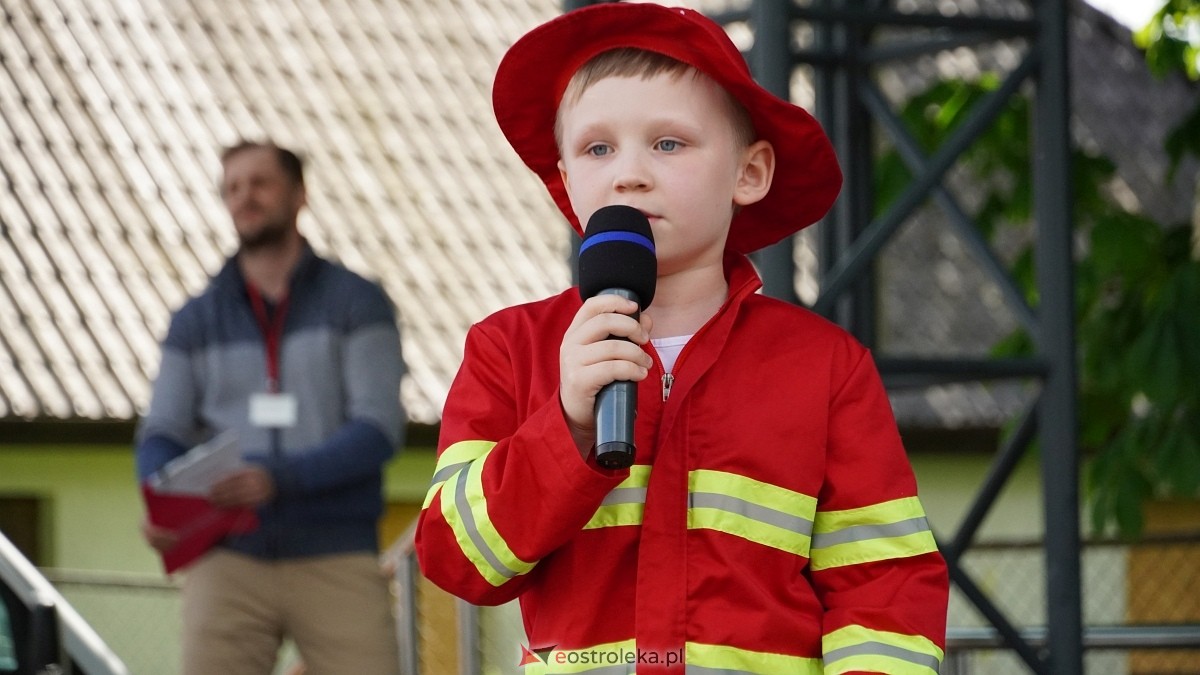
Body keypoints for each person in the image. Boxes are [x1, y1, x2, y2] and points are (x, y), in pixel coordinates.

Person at [416, 3, 949, 674]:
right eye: (596, 148)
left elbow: (883, 587)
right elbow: (457, 562)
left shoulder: (826, 366)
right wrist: (566, 427)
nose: (628, 173)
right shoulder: (509, 348)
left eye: (668, 143)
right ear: (566, 176)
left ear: (749, 173)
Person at [135, 141, 405, 675]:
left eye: (260, 183)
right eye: (233, 187)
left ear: (299, 194)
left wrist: (276, 478)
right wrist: (158, 495)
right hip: (225, 556)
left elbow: (378, 428)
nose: (245, 197)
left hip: (336, 554)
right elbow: (161, 431)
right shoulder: (194, 319)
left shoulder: (358, 301)